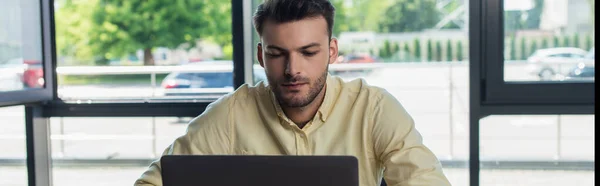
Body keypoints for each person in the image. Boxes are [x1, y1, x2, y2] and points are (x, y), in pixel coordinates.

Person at [135, 0, 450, 185]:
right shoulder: (231, 114)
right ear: (261, 56)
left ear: (332, 51)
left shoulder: (374, 108)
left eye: (309, 52)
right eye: (277, 54)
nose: (292, 69)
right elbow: (154, 182)